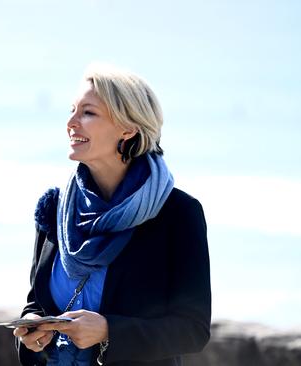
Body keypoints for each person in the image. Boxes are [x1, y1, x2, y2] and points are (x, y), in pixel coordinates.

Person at [13, 64, 211, 365]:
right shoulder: (56, 209)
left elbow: (193, 329)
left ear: (128, 128)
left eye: (88, 113)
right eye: (72, 110)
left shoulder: (176, 214)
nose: (71, 122)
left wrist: (108, 330)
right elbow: (36, 302)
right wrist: (32, 328)